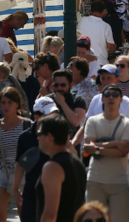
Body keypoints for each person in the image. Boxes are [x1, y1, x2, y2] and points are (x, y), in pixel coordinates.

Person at [83, 84, 129, 222]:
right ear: (102, 99)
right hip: (95, 180)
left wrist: (98, 148)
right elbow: (88, 146)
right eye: (107, 95)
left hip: (120, 182)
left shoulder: (128, 123)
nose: (110, 98)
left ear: (121, 99)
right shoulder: (93, 121)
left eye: (114, 95)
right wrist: (116, 143)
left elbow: (123, 152)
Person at [34, 115, 86, 222]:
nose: (37, 138)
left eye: (39, 133)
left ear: (50, 137)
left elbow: (50, 215)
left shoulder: (52, 167)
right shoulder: (77, 162)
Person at [0, 87, 32, 219]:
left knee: (23, 212)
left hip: (23, 171)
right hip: (3, 171)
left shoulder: (27, 124)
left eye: (9, 102)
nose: (6, 106)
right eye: (3, 102)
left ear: (17, 104)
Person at [76, 1, 116, 66]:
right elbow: (111, 47)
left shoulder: (81, 20)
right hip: (99, 62)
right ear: (104, 11)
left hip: (82, 62)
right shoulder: (106, 26)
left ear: (90, 11)